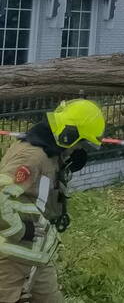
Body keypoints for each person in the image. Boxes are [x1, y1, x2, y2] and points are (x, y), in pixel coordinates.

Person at [0, 99, 104, 303]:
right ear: (69, 134)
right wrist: (23, 230)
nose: (79, 149)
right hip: (11, 257)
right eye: (81, 143)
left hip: (37, 254)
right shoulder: (32, 157)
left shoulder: (50, 154)